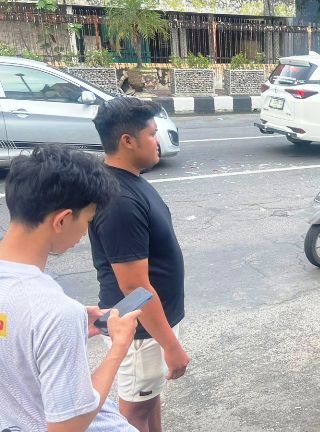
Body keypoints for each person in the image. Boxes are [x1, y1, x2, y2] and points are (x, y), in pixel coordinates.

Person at [0, 145, 140, 432]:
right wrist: (119, 348)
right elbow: (69, 426)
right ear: (62, 220)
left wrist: (63, 331)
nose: (86, 233)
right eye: (88, 221)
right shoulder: (53, 311)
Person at [89, 98, 190, 432]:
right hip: (140, 330)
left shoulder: (128, 180)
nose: (157, 140)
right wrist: (171, 346)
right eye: (151, 133)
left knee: (149, 402)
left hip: (150, 324)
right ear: (127, 141)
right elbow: (133, 286)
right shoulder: (119, 201)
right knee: (133, 414)